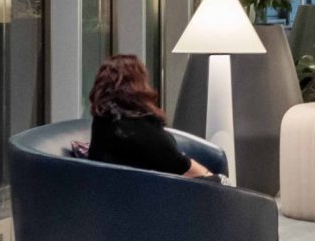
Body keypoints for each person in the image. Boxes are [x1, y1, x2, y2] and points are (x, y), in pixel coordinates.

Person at [87, 53, 218, 179]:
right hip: (154, 190)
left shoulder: (104, 120)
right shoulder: (135, 128)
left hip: (121, 188)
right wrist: (211, 177)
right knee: (223, 183)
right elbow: (181, 165)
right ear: (137, 84)